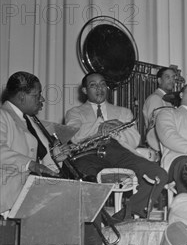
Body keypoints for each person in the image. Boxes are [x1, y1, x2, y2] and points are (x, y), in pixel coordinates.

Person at [65, 73, 168, 220]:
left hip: (121, 153)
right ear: (84, 90)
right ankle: (94, 230)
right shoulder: (75, 113)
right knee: (87, 183)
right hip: (89, 154)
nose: (99, 89)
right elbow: (74, 137)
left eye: (102, 84)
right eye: (93, 85)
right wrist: (100, 126)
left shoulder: (123, 112)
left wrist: (119, 128)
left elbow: (134, 140)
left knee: (159, 174)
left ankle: (125, 215)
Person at [0, 72, 69, 214]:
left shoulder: (31, 121)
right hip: (8, 196)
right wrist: (31, 164)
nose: (42, 99)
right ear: (21, 97)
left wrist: (56, 158)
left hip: (29, 192)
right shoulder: (2, 115)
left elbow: (42, 159)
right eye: (37, 95)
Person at [142, 66, 178, 152]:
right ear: (159, 80)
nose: (171, 80)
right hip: (159, 148)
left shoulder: (167, 100)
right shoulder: (155, 98)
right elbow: (155, 126)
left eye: (173, 77)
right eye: (167, 77)